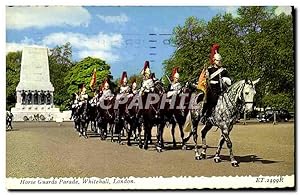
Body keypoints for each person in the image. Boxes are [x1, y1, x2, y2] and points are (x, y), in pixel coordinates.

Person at [201, 43, 232, 124]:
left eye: (220, 60)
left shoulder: (224, 70)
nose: (219, 62)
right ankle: (206, 115)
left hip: (222, 90)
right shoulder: (210, 69)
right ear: (214, 60)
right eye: (218, 60)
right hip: (212, 90)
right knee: (211, 99)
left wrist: (225, 79)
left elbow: (229, 81)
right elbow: (205, 81)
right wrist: (209, 79)